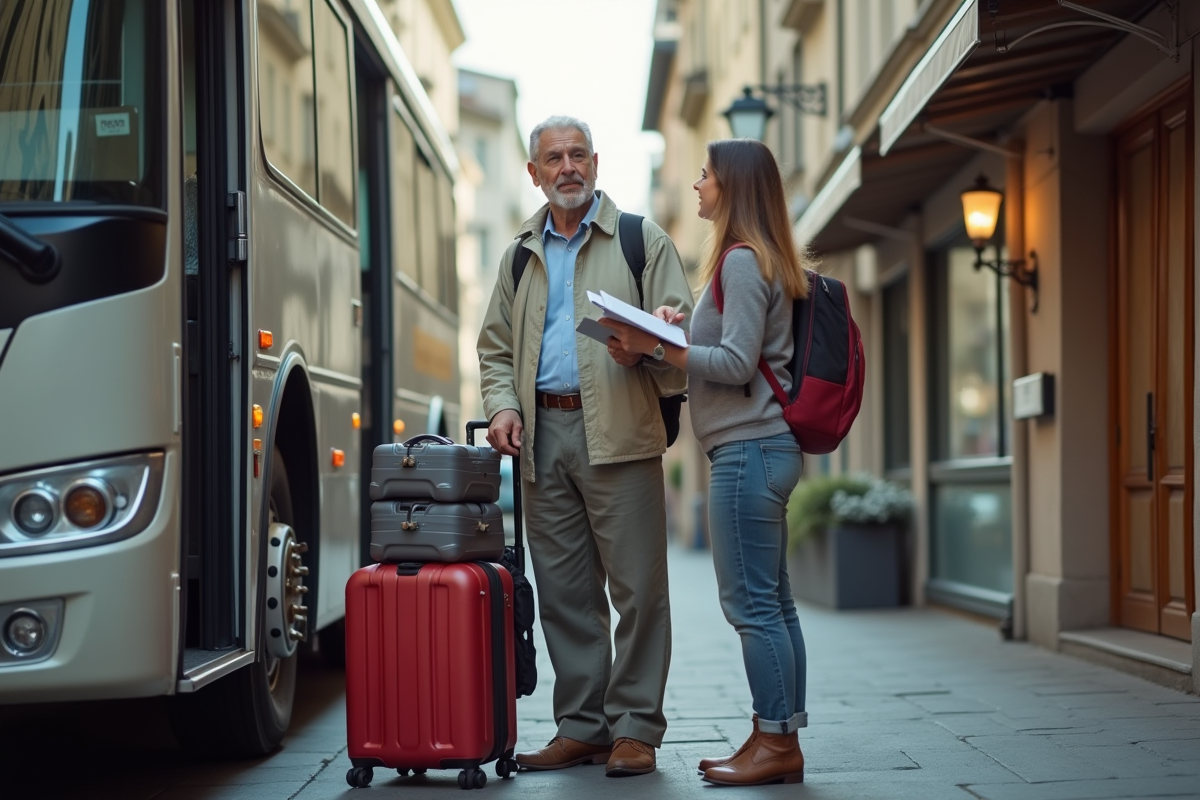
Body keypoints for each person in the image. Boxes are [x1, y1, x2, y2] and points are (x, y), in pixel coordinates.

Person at [477, 115, 694, 778]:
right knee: (565, 594)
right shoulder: (520, 253)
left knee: (638, 591)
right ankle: (583, 726)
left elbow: (684, 348)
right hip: (543, 439)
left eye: (578, 155)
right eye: (554, 158)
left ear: (596, 165)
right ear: (534, 172)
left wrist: (655, 341)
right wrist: (504, 406)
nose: (567, 167)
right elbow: (495, 349)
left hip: (623, 436)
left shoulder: (639, 239)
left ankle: (634, 728)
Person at [600, 138, 811, 786]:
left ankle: (776, 743)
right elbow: (733, 348)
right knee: (775, 605)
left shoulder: (743, 262)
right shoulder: (753, 261)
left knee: (751, 607)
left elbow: (738, 364)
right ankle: (774, 734)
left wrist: (657, 349)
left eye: (706, 175)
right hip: (760, 448)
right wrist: (676, 326)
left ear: (733, 187)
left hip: (747, 450)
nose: (696, 185)